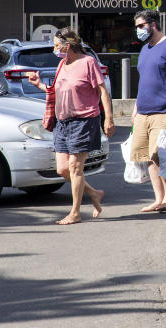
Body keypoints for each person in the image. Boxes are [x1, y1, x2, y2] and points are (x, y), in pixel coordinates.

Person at [29, 27, 114, 225]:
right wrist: (39, 85)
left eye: (57, 46)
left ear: (68, 46)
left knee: (75, 167)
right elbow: (56, 91)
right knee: (62, 169)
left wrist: (108, 118)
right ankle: (93, 193)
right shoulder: (62, 64)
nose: (55, 49)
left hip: (84, 121)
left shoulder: (88, 62)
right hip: (62, 123)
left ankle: (75, 213)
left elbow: (103, 91)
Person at [131, 9, 166, 212]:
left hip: (164, 111)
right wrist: (136, 107)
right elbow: (144, 81)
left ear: (153, 24)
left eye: (141, 26)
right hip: (143, 112)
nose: (138, 30)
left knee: (161, 156)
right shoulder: (145, 49)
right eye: (136, 26)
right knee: (147, 157)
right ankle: (159, 198)